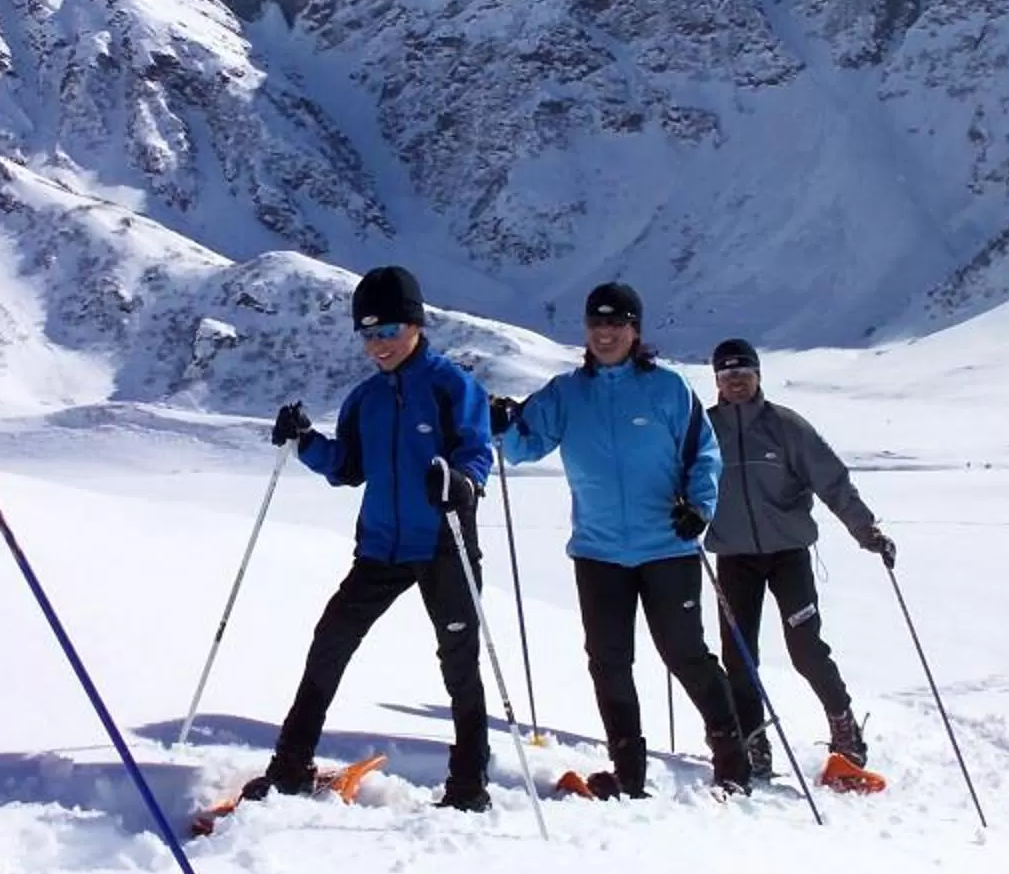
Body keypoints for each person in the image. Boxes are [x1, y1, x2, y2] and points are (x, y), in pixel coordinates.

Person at [492, 282, 759, 797]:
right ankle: (628, 772)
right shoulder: (566, 393)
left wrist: (699, 506)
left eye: (617, 324)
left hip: (668, 547)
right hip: (598, 552)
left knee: (685, 655)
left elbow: (703, 452)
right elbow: (524, 448)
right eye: (597, 324)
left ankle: (732, 760)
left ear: (635, 330)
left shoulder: (667, 388)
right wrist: (499, 423)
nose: (606, 333)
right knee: (609, 662)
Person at [251, 266, 498, 812]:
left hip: (442, 544)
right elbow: (347, 467)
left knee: (459, 663)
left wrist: (461, 483)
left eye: (387, 331)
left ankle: (468, 784)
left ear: (415, 324)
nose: (378, 345)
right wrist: (305, 441)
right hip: (381, 548)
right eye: (367, 334)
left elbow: (477, 453)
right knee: (329, 644)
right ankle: (289, 767)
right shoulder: (367, 399)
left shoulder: (451, 385)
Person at [704, 339, 892, 770]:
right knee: (738, 654)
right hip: (734, 558)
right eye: (727, 376)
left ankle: (843, 724)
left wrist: (866, 531)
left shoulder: (786, 426)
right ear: (717, 381)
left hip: (788, 555)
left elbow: (832, 480)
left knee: (805, 648)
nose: (736, 383)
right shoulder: (704, 430)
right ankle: (753, 739)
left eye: (744, 375)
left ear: (758, 377)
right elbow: (675, 478)